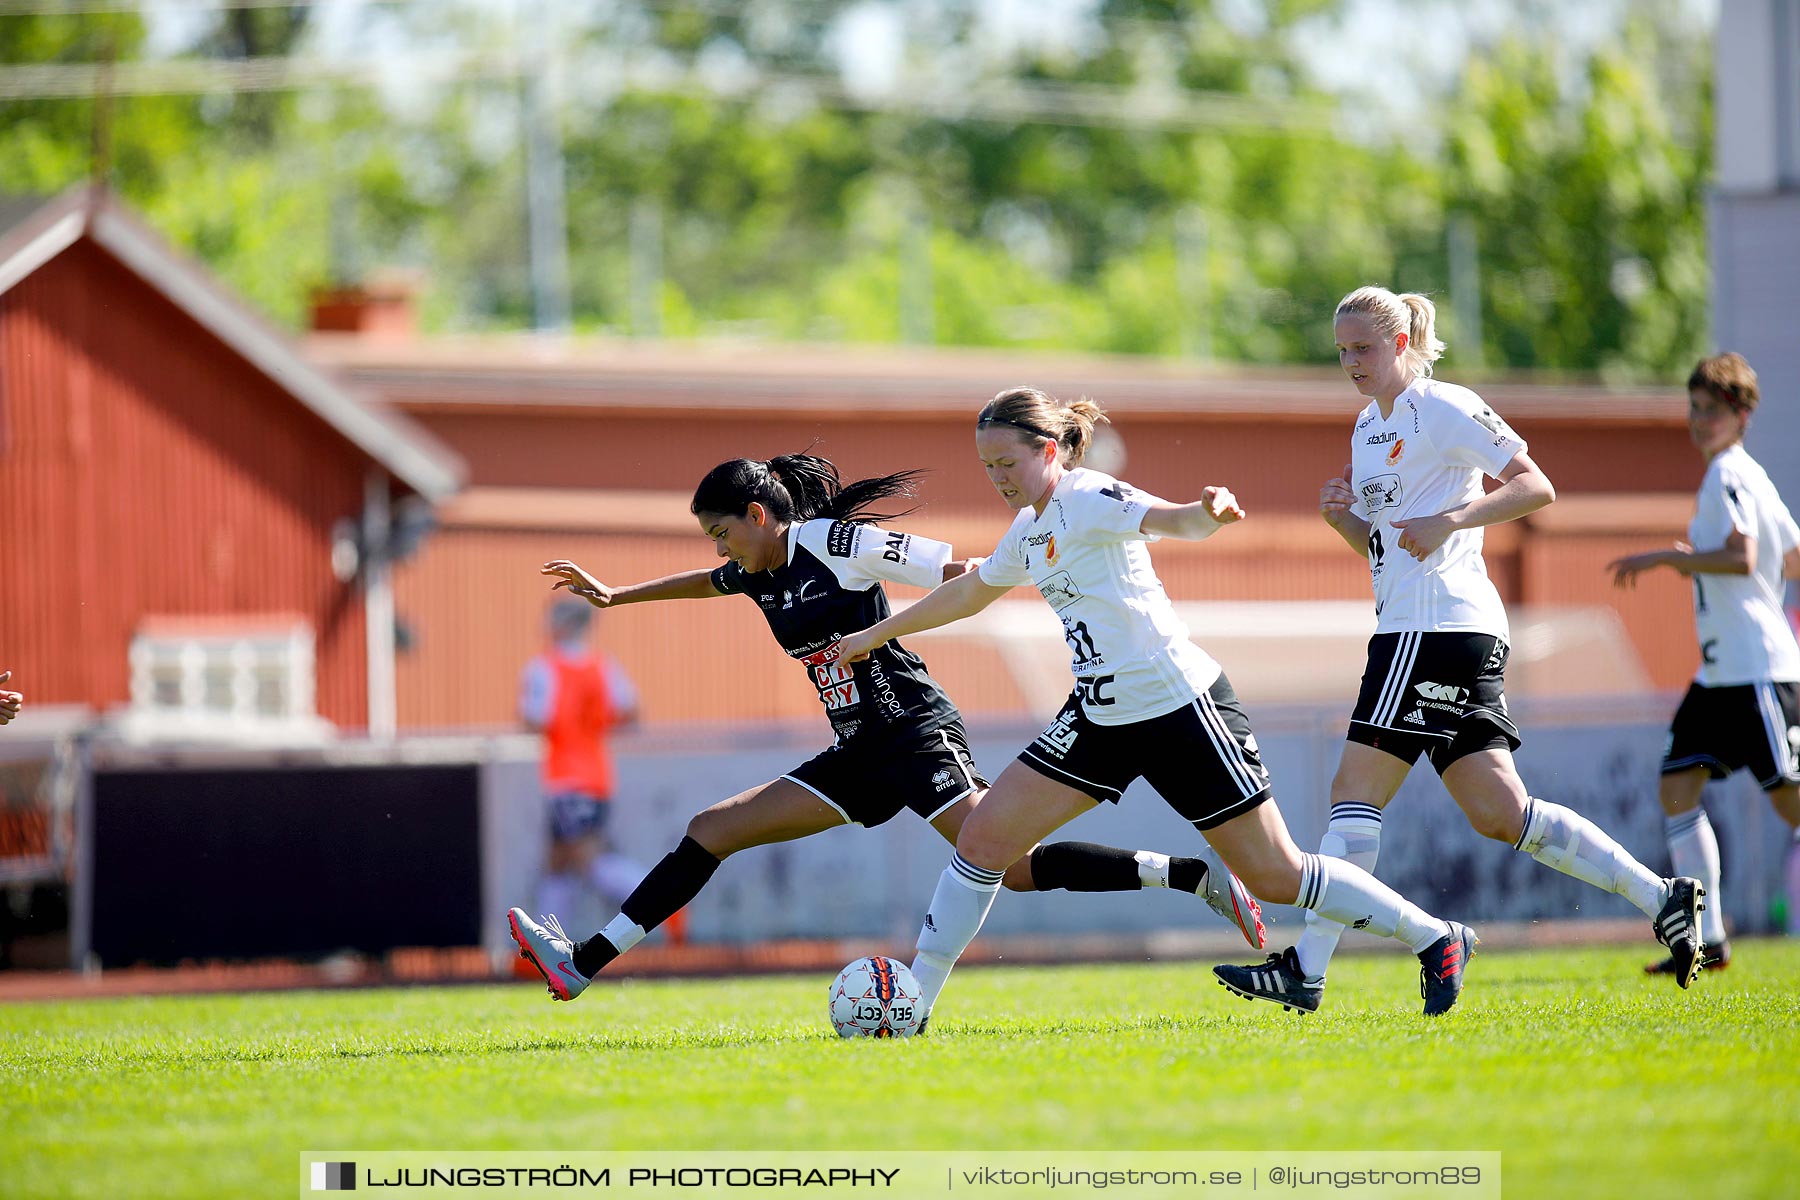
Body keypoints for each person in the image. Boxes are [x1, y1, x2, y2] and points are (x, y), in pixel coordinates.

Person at [507, 453, 1265, 1002]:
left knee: (1014, 867)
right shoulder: (755, 568)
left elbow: (958, 571)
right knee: (712, 827)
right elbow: (708, 583)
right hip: (857, 752)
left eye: (721, 531)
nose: (719, 548)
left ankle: (1193, 875)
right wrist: (613, 598)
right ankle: (583, 963)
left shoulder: (838, 546)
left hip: (914, 732)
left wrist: (1042, 569)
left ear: (759, 517)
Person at [836, 387, 1480, 1026]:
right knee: (983, 839)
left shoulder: (1088, 496)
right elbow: (973, 591)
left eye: (1008, 463)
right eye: (988, 467)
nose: (998, 478)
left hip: (1181, 709)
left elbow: (1171, 519)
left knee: (1278, 875)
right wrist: (876, 633)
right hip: (1098, 717)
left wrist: (1206, 512)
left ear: (1050, 449)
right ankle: (913, 1002)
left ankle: (1434, 937)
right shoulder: (1029, 530)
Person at [1213, 286, 1707, 1009]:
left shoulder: (1444, 405)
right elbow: (1390, 552)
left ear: (1403, 344)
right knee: (1500, 812)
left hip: (1434, 631)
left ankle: (1307, 968)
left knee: (1353, 795)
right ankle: (1661, 893)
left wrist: (1454, 517)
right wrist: (1346, 523)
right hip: (1428, 628)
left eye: (1364, 348)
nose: (1351, 361)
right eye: (1342, 350)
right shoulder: (1366, 427)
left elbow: (1537, 487)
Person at [1609, 351, 1800, 974]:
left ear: (1741, 415)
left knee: (1791, 802)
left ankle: (1711, 935)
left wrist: (1669, 559)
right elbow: (1788, 560)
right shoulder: (1749, 476)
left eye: (1711, 411)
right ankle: (1710, 938)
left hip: (1755, 669)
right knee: (1676, 786)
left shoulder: (1730, 475)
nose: (1698, 421)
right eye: (1692, 409)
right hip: (1722, 671)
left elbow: (1743, 559)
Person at [519, 598, 646, 924]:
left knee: (586, 859)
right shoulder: (603, 667)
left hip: (567, 777)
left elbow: (533, 718)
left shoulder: (544, 667)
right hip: (597, 775)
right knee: (559, 860)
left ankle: (656, 899)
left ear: (564, 624)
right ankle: (542, 943)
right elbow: (631, 710)